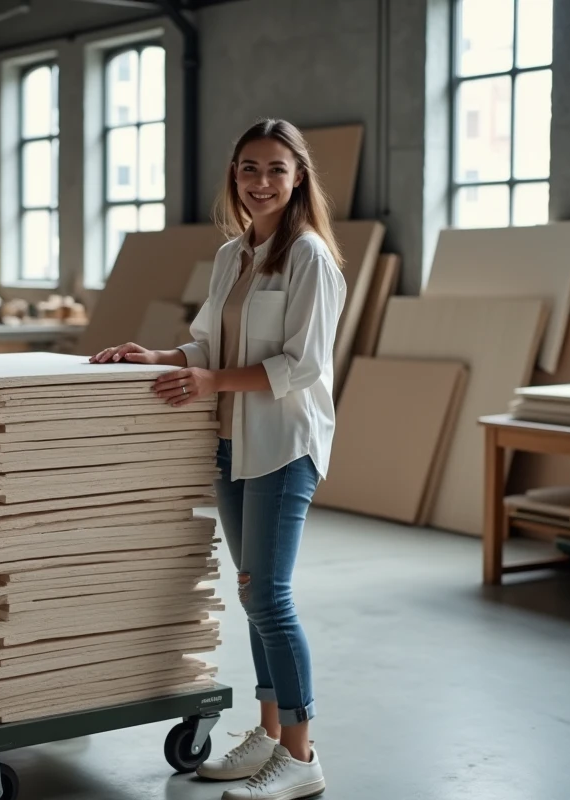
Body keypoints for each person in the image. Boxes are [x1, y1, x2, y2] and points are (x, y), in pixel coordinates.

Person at [90, 118, 346, 800]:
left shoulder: (310, 259)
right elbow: (208, 346)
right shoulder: (235, 254)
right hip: (234, 440)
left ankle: (301, 754)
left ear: (298, 180)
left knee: (269, 595)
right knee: (250, 592)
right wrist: (160, 357)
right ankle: (267, 735)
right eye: (249, 168)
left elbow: (303, 364)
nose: (260, 182)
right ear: (234, 175)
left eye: (275, 170)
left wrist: (210, 383)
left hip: (284, 443)